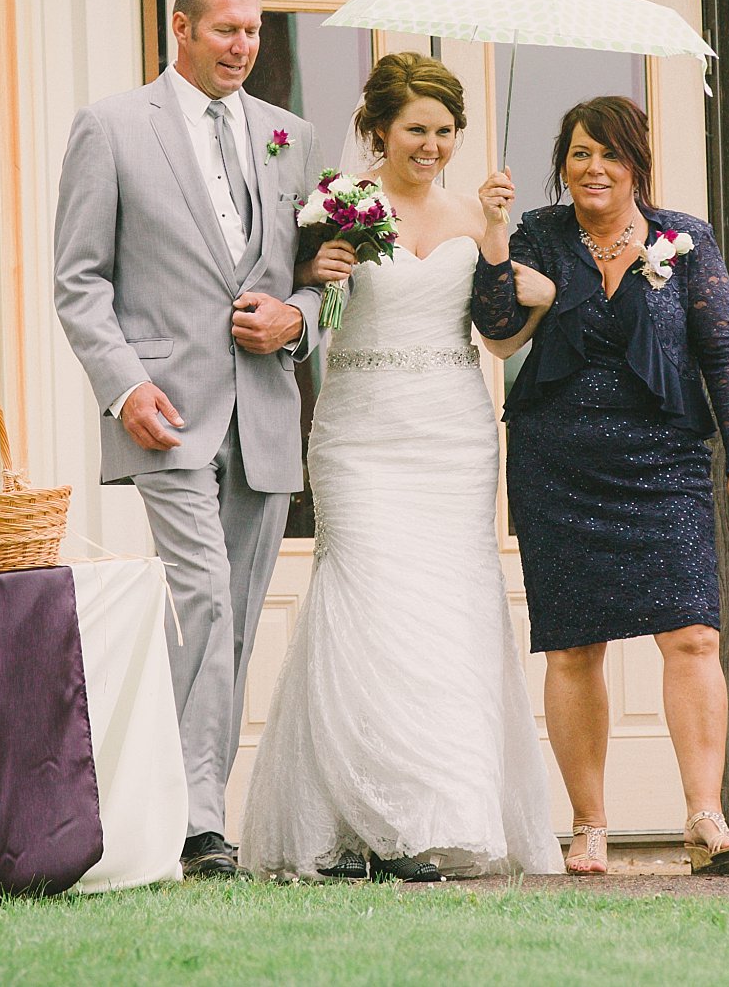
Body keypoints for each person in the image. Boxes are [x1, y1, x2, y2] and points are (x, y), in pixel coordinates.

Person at [241, 53, 563, 882]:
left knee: (449, 612)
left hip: (451, 435)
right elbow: (296, 297)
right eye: (416, 129)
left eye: (445, 131)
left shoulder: (476, 212)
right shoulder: (335, 209)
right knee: (367, 602)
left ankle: (441, 816)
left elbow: (495, 335)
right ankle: (354, 823)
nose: (431, 145)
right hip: (359, 432)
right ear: (377, 129)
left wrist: (514, 264)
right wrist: (318, 272)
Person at [53, 0, 323, 879]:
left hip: (266, 412)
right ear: (181, 29)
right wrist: (125, 387)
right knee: (202, 596)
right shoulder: (114, 127)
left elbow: (322, 285)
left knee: (238, 617)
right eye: (226, 31)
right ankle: (192, 819)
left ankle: (183, 806)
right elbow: (79, 282)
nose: (244, 48)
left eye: (253, 32)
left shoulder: (292, 137)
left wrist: (295, 320)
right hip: (164, 413)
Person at [471, 95, 729, 876]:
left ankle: (705, 816)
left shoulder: (684, 239)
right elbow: (495, 325)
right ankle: (590, 824)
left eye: (608, 153)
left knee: (693, 633)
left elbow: (721, 352)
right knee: (573, 647)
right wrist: (495, 232)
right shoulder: (539, 233)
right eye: (577, 154)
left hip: (663, 459)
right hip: (558, 460)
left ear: (636, 162)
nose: (592, 168)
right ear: (561, 166)